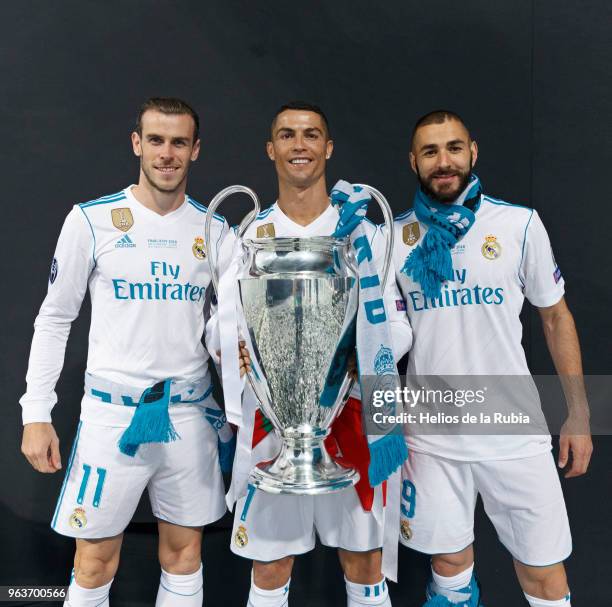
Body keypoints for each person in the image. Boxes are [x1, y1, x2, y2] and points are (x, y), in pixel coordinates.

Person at [19, 97, 233, 607]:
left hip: (188, 416)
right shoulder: (91, 221)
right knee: (93, 563)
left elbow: (233, 334)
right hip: (112, 419)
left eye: (179, 142)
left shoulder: (217, 231)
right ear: (137, 143)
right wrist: (35, 412)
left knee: (184, 557)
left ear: (195, 150)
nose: (167, 153)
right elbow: (54, 318)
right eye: (155, 140)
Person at [213, 101, 412, 607]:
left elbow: (398, 324)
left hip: (351, 416)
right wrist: (235, 349)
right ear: (270, 149)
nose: (298, 145)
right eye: (286, 135)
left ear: (328, 147)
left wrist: (362, 354)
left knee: (364, 562)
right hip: (271, 428)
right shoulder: (248, 236)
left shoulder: (362, 234)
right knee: (270, 564)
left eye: (310, 134)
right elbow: (220, 324)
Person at [390, 110, 592, 607]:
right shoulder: (391, 238)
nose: (444, 162)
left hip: (511, 427)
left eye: (454, 148)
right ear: (413, 161)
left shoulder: (518, 224)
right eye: (431, 152)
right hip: (431, 436)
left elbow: (556, 317)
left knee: (543, 572)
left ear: (473, 152)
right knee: (448, 565)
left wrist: (581, 413)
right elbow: (378, 343)